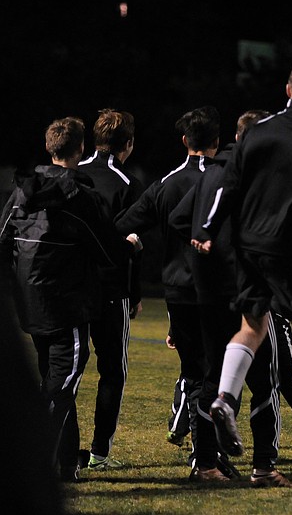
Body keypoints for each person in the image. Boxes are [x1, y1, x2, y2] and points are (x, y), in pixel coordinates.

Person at [193, 63, 292, 477]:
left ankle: (225, 398)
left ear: (287, 89)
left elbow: (228, 185)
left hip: (248, 246)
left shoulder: (257, 132)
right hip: (289, 249)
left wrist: (208, 229)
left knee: (252, 325)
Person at [0, 117, 134, 481]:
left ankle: (66, 465)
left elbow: (3, 238)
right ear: (80, 150)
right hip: (67, 305)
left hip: (30, 306)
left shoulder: (23, 190)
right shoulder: (80, 196)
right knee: (60, 386)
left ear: (49, 147)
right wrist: (129, 244)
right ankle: (34, 463)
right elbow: (108, 252)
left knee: (55, 377)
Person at [116, 106, 222, 461]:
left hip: (178, 289)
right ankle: (210, 450)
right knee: (220, 371)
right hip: (219, 290)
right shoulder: (225, 178)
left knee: (193, 373)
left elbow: (122, 225)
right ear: (217, 142)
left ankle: (201, 450)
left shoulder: (166, 183)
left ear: (184, 141)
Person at [76, 109, 144, 470]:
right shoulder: (127, 184)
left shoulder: (75, 172)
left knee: (67, 369)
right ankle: (100, 452)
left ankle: (64, 448)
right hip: (111, 288)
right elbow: (132, 245)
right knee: (112, 370)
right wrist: (134, 295)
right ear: (128, 144)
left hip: (71, 287)